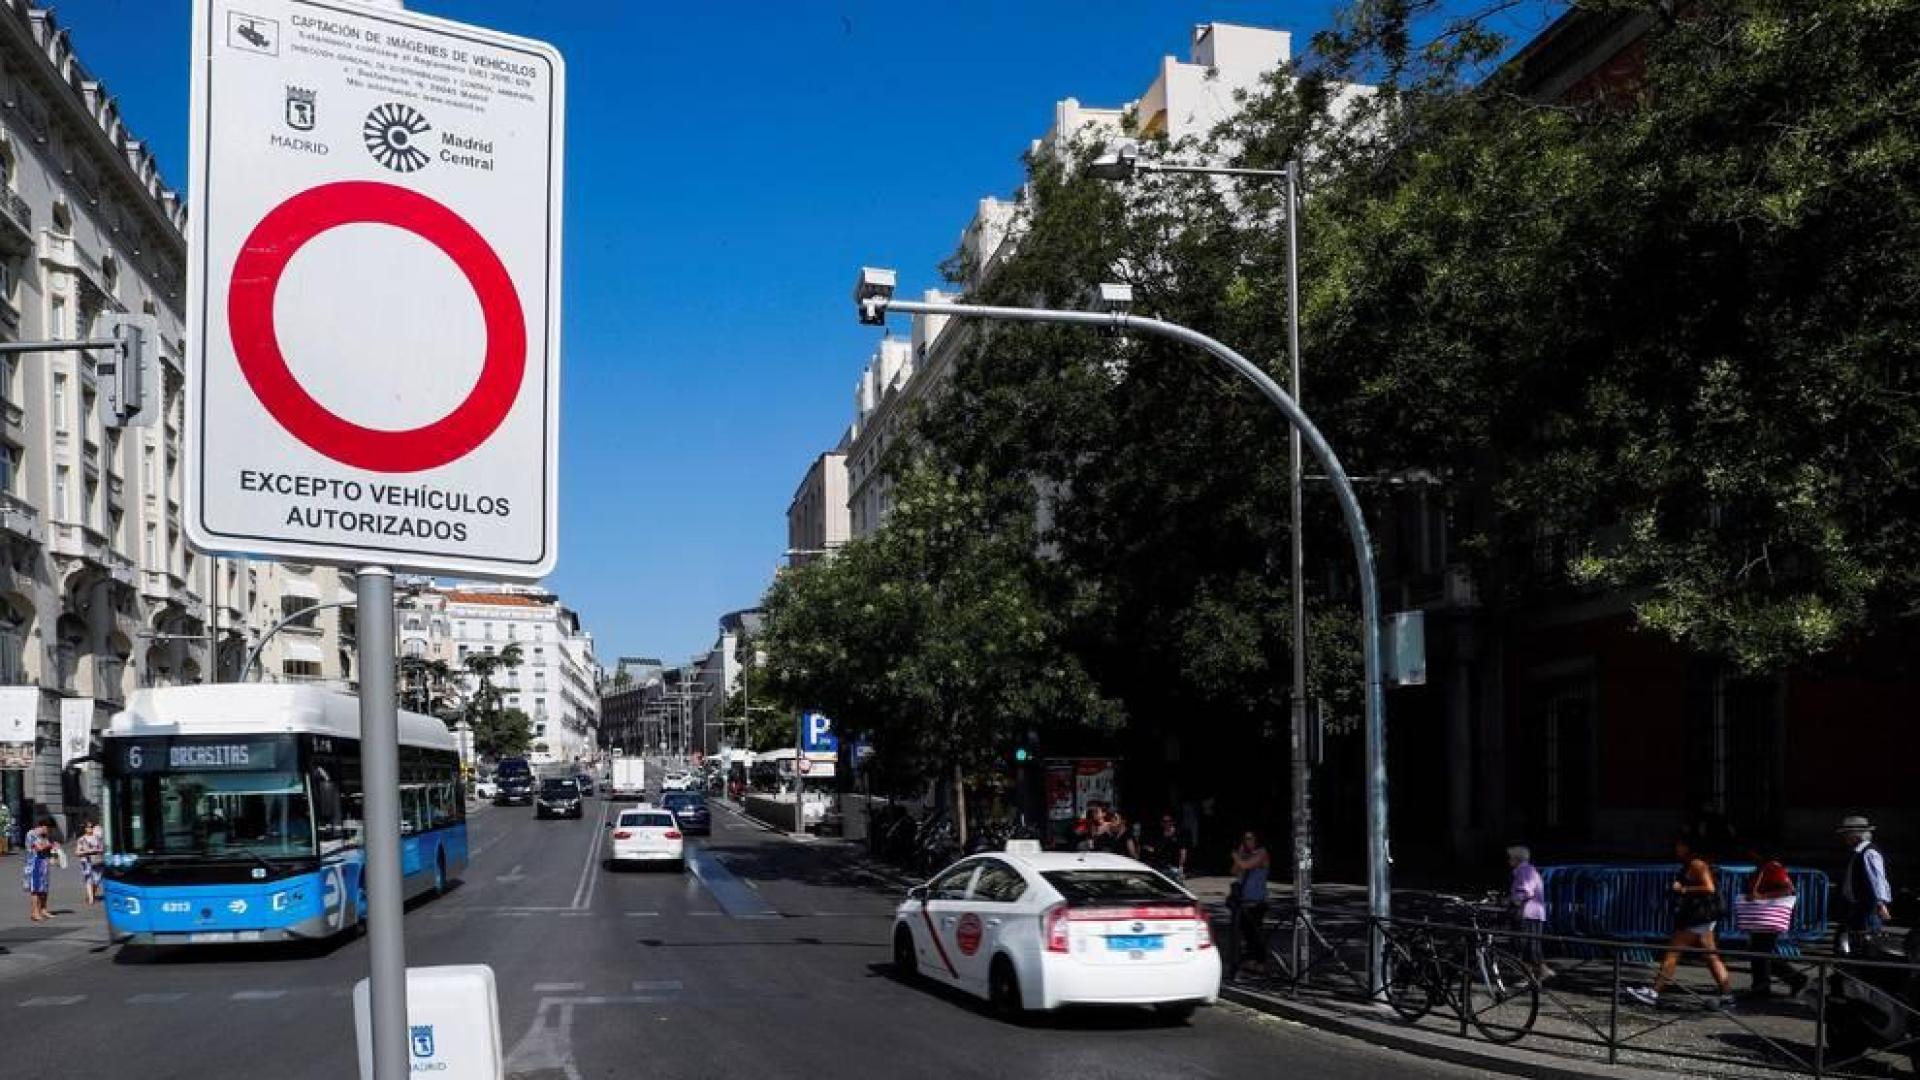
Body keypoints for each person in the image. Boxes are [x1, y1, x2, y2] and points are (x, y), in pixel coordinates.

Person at [1625, 836, 1735, 1009]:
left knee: (1672, 953)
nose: (1676, 848)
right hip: (1703, 918)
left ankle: (1654, 992)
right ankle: (1727, 995)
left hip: (1697, 918)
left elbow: (1709, 888)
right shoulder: (1691, 864)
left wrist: (1683, 889)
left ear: (1687, 847)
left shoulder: (1697, 864)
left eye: (1679, 845)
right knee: (1711, 957)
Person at [1738, 853, 1806, 999]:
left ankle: (1761, 987)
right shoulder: (1762, 868)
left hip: (1768, 916)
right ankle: (1795, 979)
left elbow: (1788, 890)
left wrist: (1762, 897)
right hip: (1761, 917)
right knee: (1760, 951)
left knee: (1760, 951)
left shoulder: (1773, 868)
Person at [1836, 815, 1892, 956]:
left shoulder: (1869, 852)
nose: (1845, 838)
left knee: (1868, 944)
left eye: (1847, 834)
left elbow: (1877, 878)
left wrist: (1880, 902)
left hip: (1868, 908)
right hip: (1857, 907)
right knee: (1852, 942)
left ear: (1856, 835)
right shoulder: (1857, 852)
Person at [1230, 830, 1271, 977]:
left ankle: (1261, 963)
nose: (1248, 841)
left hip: (1258, 900)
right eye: (1245, 839)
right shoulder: (1245, 855)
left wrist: (1237, 857)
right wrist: (1239, 856)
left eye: (1251, 838)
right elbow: (1234, 871)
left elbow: (1246, 866)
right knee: (1247, 933)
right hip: (1245, 901)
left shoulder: (1261, 853)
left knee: (1256, 932)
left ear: (1257, 840)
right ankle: (1251, 961)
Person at [1507, 845, 1552, 981]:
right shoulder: (1525, 870)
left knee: (1526, 946)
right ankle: (1536, 973)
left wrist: (1513, 901)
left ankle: (1532, 976)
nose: (1508, 860)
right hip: (1531, 913)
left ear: (1516, 859)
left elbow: (1526, 891)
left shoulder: (1525, 870)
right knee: (1529, 946)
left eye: (1510, 857)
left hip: (1528, 913)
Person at [20, 816, 58, 922]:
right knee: (35, 889)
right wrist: (51, 845)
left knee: (44, 888)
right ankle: (35, 912)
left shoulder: (45, 836)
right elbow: (39, 848)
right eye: (49, 828)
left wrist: (54, 854)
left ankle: (43, 910)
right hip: (34, 865)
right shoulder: (31, 834)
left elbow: (48, 850)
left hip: (43, 864)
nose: (50, 831)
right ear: (43, 826)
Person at [1144, 814, 1190, 881]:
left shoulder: (1178, 834)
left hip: (1174, 865)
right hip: (1162, 865)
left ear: (1172, 822)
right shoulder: (1159, 835)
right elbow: (1156, 849)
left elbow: (1183, 851)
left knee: (1176, 883)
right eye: (1164, 821)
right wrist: (1148, 848)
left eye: (1168, 821)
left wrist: (1181, 866)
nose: (1166, 823)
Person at [73, 821, 104, 907]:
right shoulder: (82, 839)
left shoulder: (97, 838)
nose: (90, 829)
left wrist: (99, 851)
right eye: (88, 827)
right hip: (86, 861)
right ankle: (91, 899)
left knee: (97, 880)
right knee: (89, 879)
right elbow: (77, 852)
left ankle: (91, 895)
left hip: (97, 861)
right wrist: (87, 852)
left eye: (91, 827)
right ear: (85, 829)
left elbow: (102, 849)